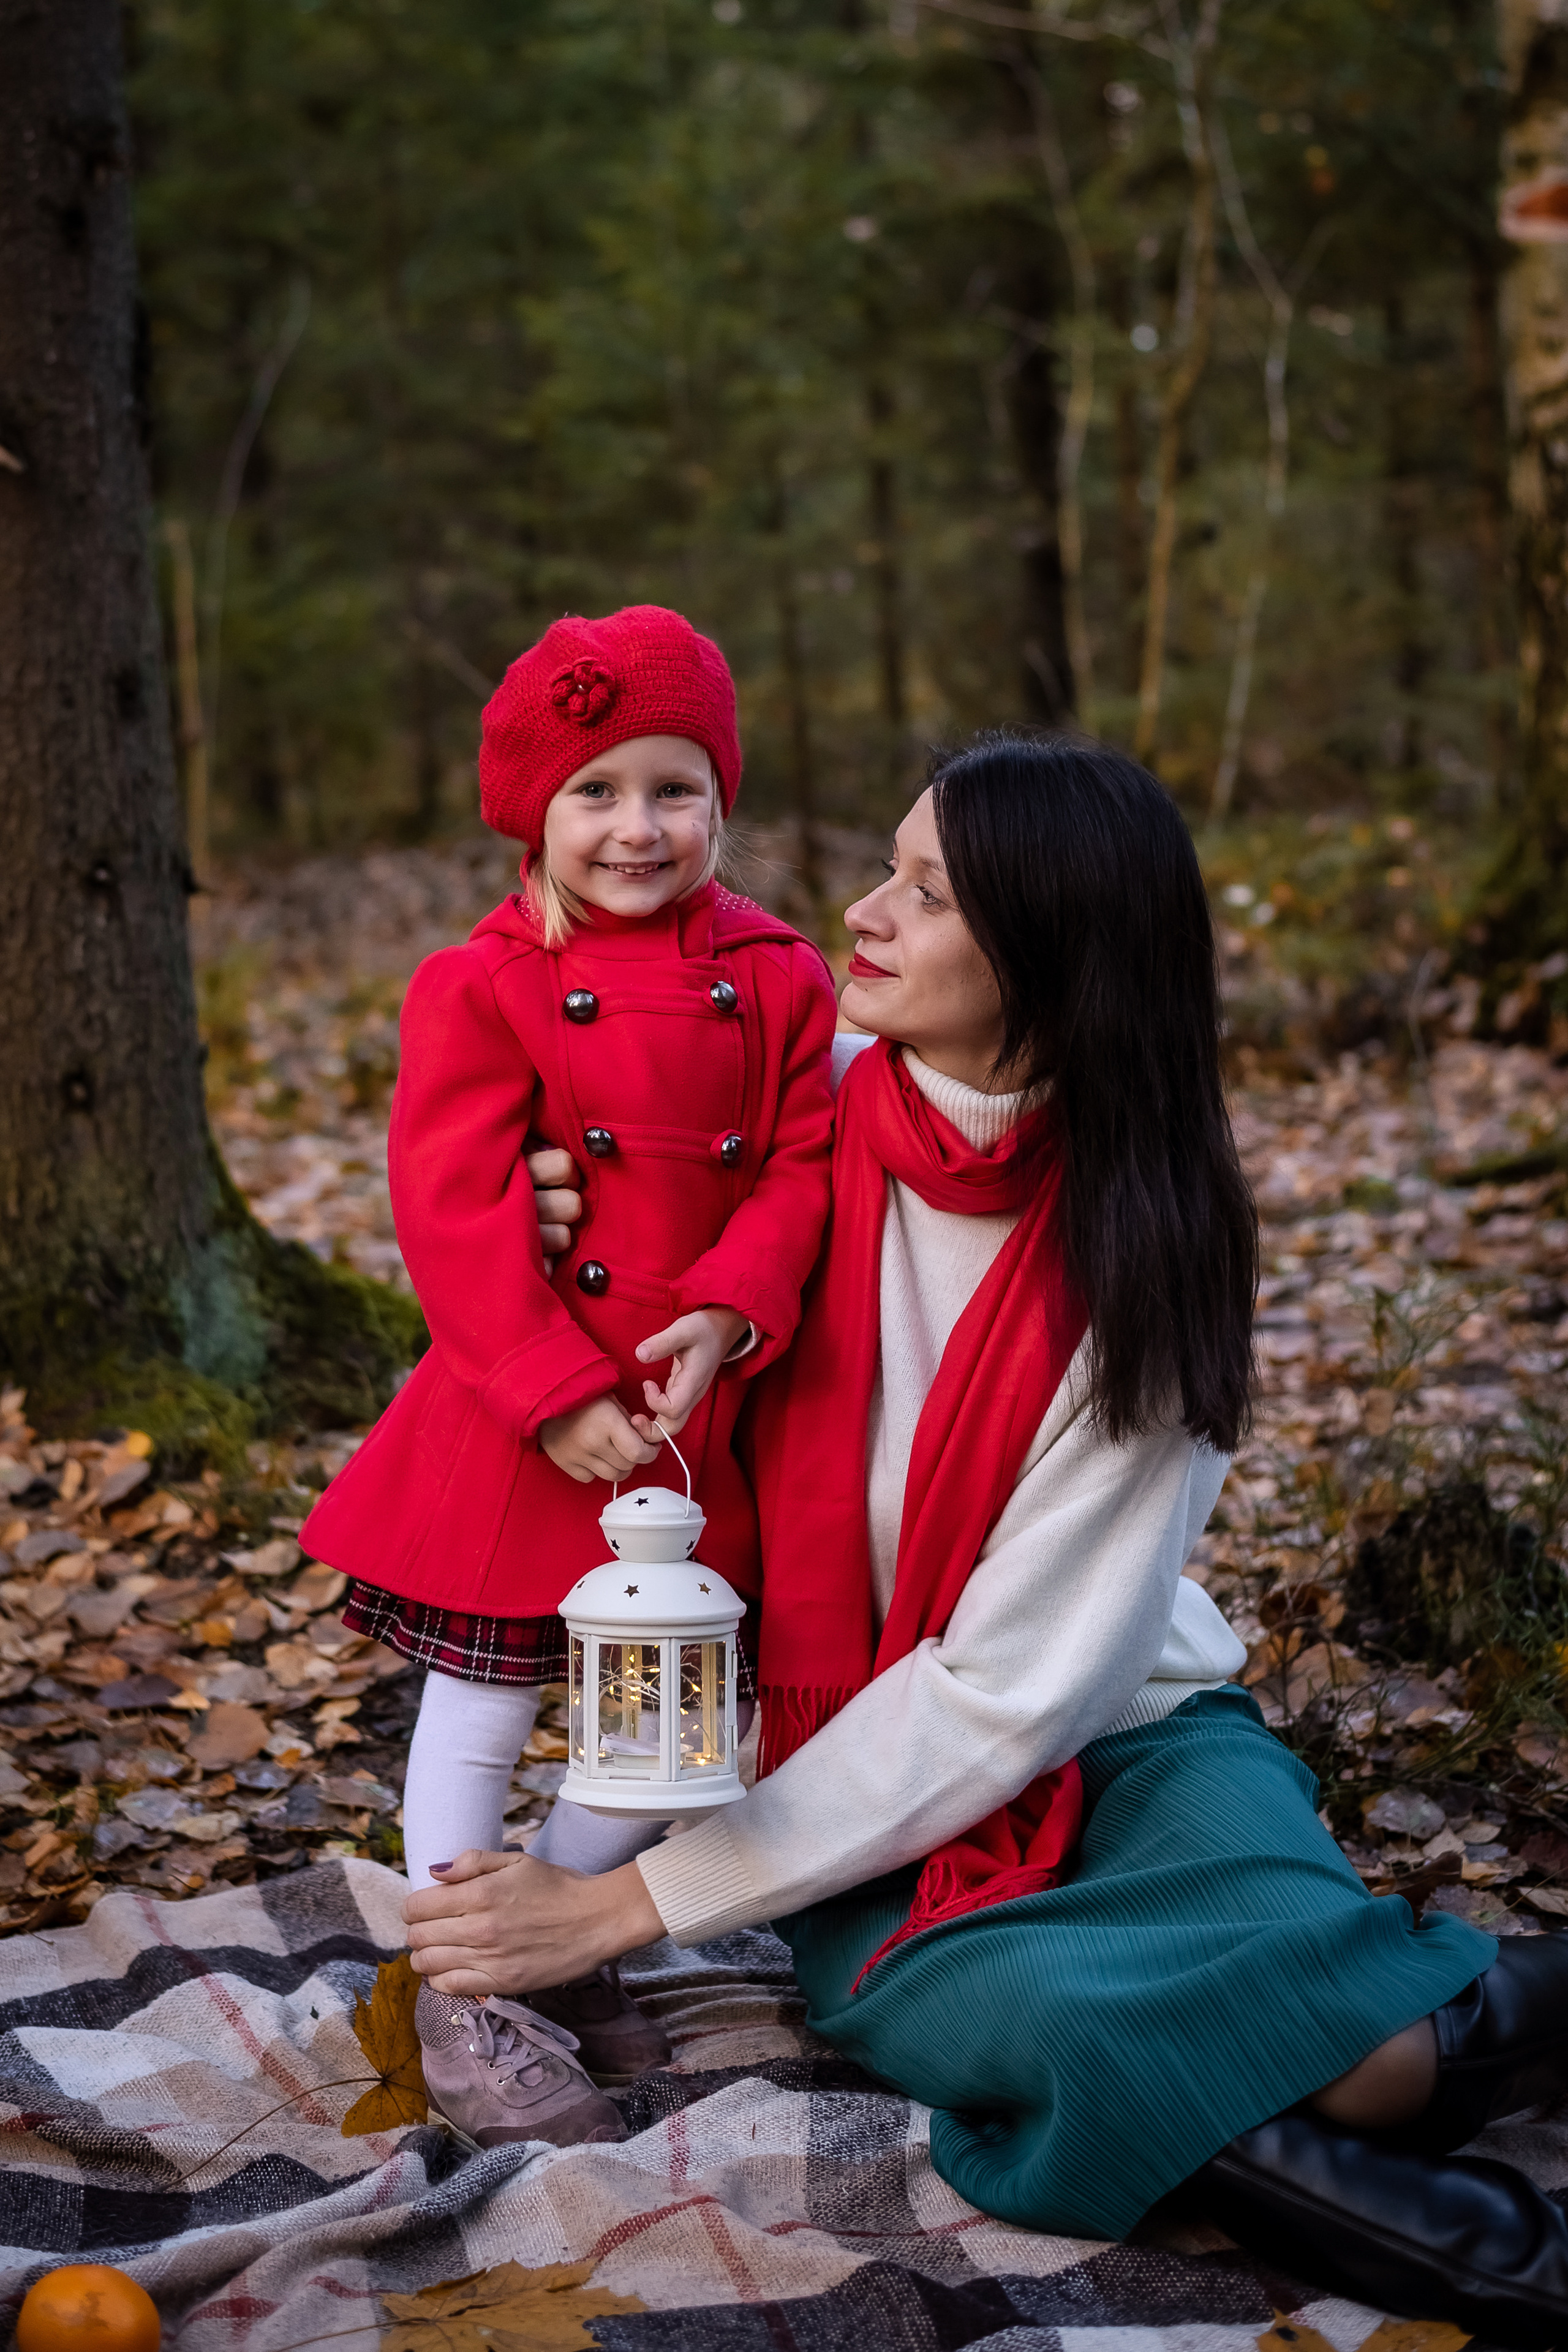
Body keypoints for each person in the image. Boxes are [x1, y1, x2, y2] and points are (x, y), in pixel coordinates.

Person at [405, 732, 1568, 2345]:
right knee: (1134, 2025)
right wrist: (539, 1207)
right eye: (888, 868)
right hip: (847, 1755)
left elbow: (1023, 1692)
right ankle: (1492, 2204)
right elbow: (574, 1193)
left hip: (1128, 1730)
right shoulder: (794, 1128)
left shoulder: (1148, 1239)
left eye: (927, 893)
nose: (865, 915)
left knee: (1346, 2037)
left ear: (1048, 950)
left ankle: (1478, 2084)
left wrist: (622, 1908)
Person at [301, 604, 836, 2146]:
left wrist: (732, 1307)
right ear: (530, 812)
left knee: (672, 1728)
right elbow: (454, 1208)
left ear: (722, 799)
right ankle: (460, 1988)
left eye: (673, 787)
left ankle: (546, 1916)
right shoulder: (481, 983)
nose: (635, 826)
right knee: (479, 1702)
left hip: (688, 1416)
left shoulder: (782, 976)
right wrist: (553, 1387)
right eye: (594, 792)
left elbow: (799, 1167)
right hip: (523, 1412)